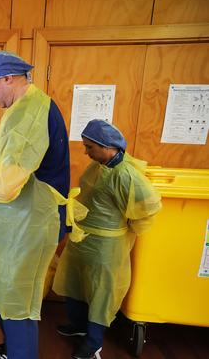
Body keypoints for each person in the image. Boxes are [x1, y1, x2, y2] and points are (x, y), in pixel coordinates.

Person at [0, 50, 72, 359]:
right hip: (19, 223)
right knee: (7, 294)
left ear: (9, 78)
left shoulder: (29, 113)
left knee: (19, 304)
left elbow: (6, 186)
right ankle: (12, 351)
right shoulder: (24, 107)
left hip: (31, 224)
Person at [53, 120, 162, 359]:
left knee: (101, 293)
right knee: (75, 284)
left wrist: (128, 228)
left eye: (90, 147)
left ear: (108, 146)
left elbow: (149, 207)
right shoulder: (100, 166)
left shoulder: (126, 175)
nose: (86, 152)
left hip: (105, 246)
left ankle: (93, 342)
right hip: (83, 239)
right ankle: (79, 326)